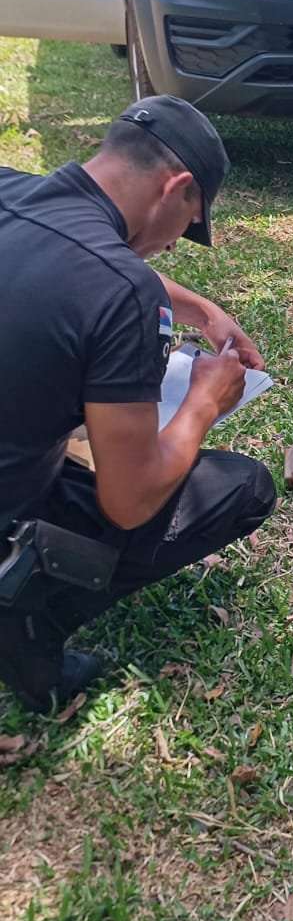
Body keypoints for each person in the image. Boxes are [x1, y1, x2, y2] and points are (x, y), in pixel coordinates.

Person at [0, 96, 276, 713]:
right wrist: (203, 402)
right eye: (188, 224)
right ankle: (27, 614)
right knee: (242, 486)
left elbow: (76, 258)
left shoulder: (10, 191)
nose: (174, 247)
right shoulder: (123, 293)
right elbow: (128, 501)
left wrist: (200, 309)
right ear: (175, 188)